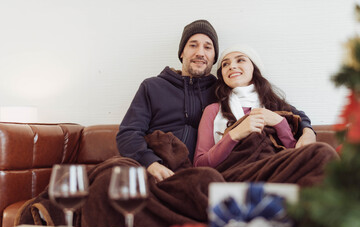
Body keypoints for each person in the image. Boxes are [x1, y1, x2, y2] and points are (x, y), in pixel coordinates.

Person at [116, 20, 315, 183]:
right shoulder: (152, 87)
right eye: (193, 45)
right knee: (112, 176)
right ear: (181, 53)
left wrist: (307, 130)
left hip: (200, 176)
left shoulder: (223, 90)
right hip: (157, 163)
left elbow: (289, 114)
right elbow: (128, 133)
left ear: (213, 59)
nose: (200, 52)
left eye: (208, 47)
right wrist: (151, 163)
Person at [193, 44, 331, 169]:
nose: (232, 66)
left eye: (240, 60)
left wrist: (280, 123)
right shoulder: (213, 110)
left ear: (254, 67)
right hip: (236, 173)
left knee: (323, 153)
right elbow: (200, 164)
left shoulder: (275, 105)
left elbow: (293, 154)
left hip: (276, 170)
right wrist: (235, 134)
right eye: (225, 64)